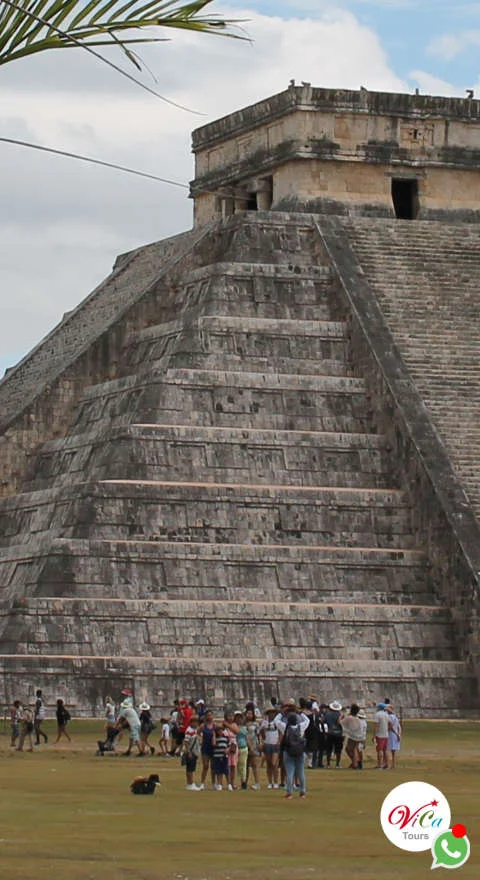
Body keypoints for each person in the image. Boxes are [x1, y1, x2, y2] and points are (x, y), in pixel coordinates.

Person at [277, 708, 310, 799]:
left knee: (289, 773)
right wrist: (300, 712)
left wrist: (281, 713)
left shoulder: (285, 727)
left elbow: (276, 721)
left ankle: (289, 793)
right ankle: (302, 792)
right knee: (301, 773)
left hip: (288, 752)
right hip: (300, 752)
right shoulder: (301, 727)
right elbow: (307, 720)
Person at [260, 706, 281, 788]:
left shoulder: (277, 722)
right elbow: (262, 734)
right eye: (270, 713)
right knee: (269, 764)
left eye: (273, 713)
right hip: (267, 744)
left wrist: (278, 742)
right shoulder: (264, 722)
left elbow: (281, 733)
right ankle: (270, 782)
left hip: (275, 744)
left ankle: (276, 782)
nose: (271, 714)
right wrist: (263, 735)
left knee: (274, 763)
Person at [340, 704, 363, 769]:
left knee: (350, 749)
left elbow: (340, 722)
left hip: (353, 736)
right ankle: (356, 762)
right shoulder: (357, 719)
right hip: (359, 735)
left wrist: (341, 716)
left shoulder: (349, 718)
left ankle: (355, 763)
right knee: (354, 749)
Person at [198, 709, 216, 790]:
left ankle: (213, 783)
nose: (209, 717)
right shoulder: (203, 726)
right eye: (208, 715)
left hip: (213, 748)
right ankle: (202, 783)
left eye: (211, 715)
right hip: (205, 747)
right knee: (205, 766)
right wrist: (200, 740)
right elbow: (197, 733)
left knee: (213, 766)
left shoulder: (215, 726)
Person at [182, 717, 202, 790]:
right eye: (194, 722)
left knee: (192, 768)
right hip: (190, 752)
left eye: (197, 722)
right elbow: (186, 742)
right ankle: (190, 783)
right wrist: (189, 751)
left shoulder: (195, 730)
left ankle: (190, 783)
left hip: (194, 751)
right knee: (190, 769)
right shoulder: (189, 731)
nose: (195, 724)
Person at [324, 700, 344, 768]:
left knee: (329, 749)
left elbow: (324, 722)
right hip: (339, 734)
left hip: (330, 733)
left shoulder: (327, 714)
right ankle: (337, 764)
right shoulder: (341, 715)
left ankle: (328, 764)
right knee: (338, 750)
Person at [212, 721, 230, 790]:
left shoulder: (226, 738)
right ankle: (219, 784)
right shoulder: (215, 738)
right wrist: (214, 734)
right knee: (218, 771)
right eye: (218, 730)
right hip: (217, 756)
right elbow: (213, 744)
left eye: (221, 730)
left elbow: (229, 745)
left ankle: (229, 784)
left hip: (224, 756)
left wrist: (228, 749)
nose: (220, 731)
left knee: (226, 770)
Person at [373, 702, 390, 769]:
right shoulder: (386, 714)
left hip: (380, 735)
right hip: (386, 734)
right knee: (385, 750)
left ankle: (379, 765)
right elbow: (390, 723)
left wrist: (374, 735)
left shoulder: (377, 714)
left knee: (379, 750)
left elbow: (376, 726)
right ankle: (386, 764)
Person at [387, 704, 402, 769]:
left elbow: (390, 727)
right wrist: (399, 734)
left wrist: (396, 733)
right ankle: (393, 764)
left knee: (388, 749)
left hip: (391, 734)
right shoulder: (395, 717)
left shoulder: (390, 717)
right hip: (395, 734)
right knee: (393, 750)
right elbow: (399, 727)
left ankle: (389, 763)